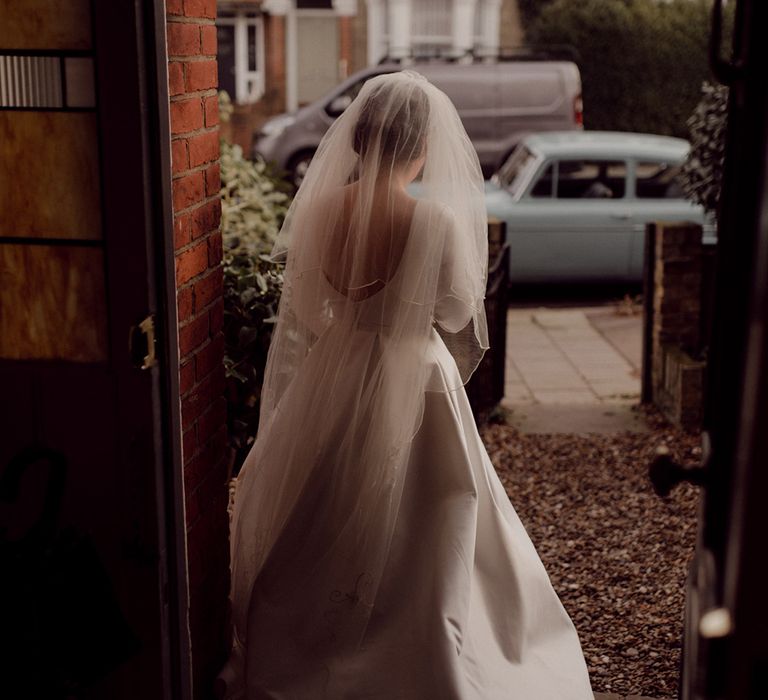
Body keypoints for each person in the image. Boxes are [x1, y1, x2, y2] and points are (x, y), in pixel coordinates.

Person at [216, 70, 594, 699]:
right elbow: (453, 315)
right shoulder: (433, 223)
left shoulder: (315, 211)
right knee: (433, 511)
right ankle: (426, 641)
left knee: (324, 503)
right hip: (417, 376)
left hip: (336, 369)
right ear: (420, 146)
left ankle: (318, 636)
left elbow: (307, 309)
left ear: (359, 140)